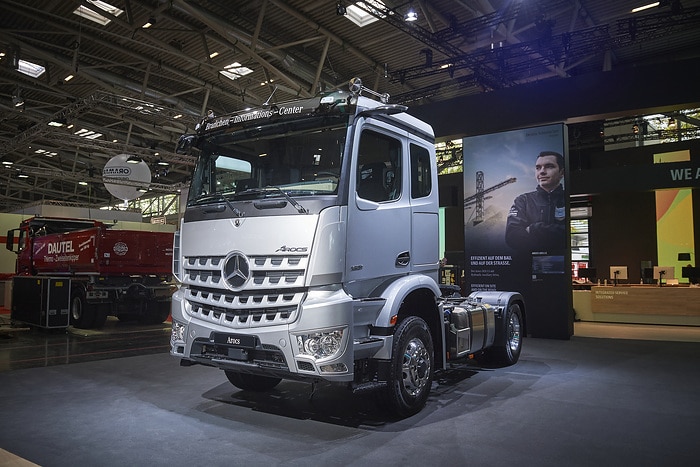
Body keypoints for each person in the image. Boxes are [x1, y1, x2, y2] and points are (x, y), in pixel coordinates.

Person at [505, 151, 566, 252]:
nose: (542, 171)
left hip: (562, 264)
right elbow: (512, 237)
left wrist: (534, 229)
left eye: (549, 166)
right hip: (529, 265)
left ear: (562, 173)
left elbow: (571, 232)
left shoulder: (567, 198)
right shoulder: (523, 200)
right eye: (538, 168)